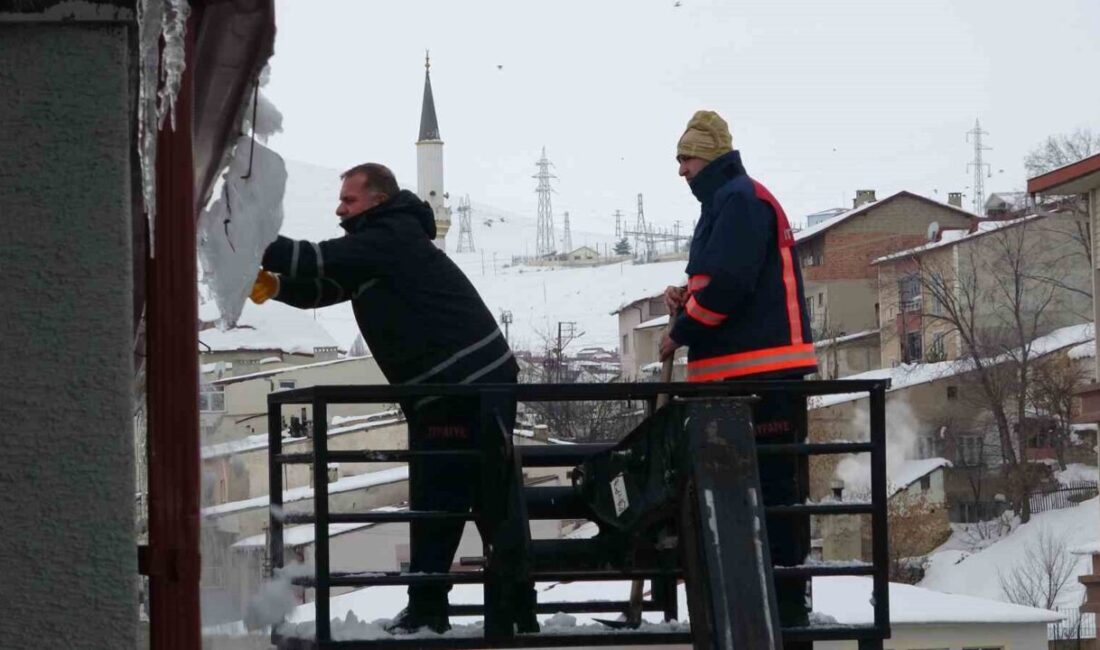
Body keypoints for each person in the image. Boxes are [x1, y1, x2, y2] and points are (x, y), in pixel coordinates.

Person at [251, 163, 534, 635]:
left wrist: (248, 236)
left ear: (377, 200)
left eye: (349, 200)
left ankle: (441, 609)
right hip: (462, 384)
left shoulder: (390, 236)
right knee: (477, 496)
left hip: (463, 386)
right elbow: (324, 286)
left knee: (450, 494)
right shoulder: (386, 242)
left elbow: (316, 259)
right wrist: (275, 286)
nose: (339, 209)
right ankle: (501, 609)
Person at [659, 111, 818, 645]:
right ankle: (771, 597)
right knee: (756, 494)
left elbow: (727, 286)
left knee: (771, 494)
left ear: (710, 155)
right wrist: (687, 297)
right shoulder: (728, 201)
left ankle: (787, 602)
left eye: (686, 158)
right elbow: (718, 283)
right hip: (742, 376)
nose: (681, 171)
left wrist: (679, 331)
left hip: (760, 374)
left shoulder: (738, 201)